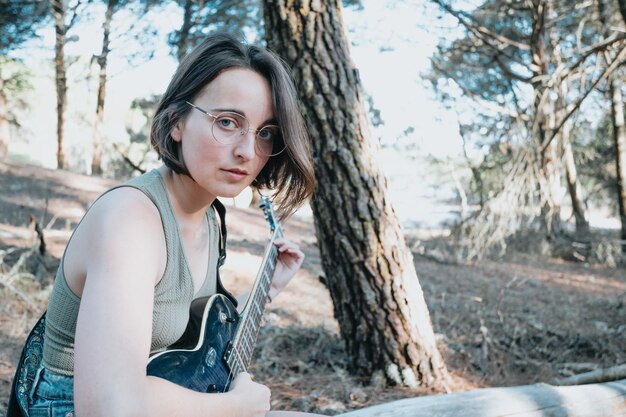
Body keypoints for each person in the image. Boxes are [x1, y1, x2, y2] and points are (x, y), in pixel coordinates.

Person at [16, 32, 319, 417]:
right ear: (176, 122)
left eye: (265, 133)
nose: (247, 150)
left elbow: (192, 342)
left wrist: (269, 290)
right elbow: (107, 406)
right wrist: (233, 406)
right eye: (227, 122)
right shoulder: (131, 220)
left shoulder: (208, 216)